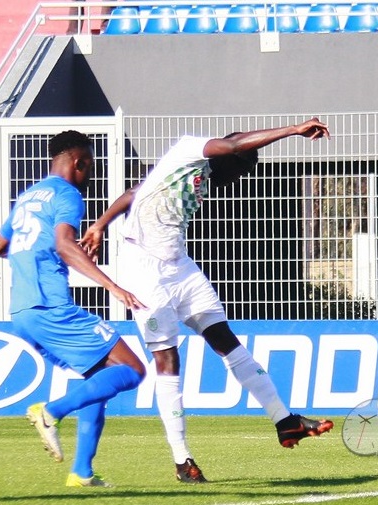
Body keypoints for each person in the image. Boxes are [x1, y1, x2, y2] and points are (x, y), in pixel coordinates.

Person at [81, 118, 333, 484]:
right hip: (143, 269)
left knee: (226, 341)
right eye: (240, 164)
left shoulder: (205, 178)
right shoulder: (188, 149)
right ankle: (182, 461)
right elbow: (231, 146)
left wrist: (101, 222)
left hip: (179, 267)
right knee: (167, 358)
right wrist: (293, 130)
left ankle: (285, 421)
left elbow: (139, 190)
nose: (237, 174)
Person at [0, 130, 147, 487]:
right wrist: (112, 286)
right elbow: (64, 244)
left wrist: (34, 252)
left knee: (99, 379)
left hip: (22, 313)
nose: (89, 173)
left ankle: (81, 471)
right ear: (79, 162)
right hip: (50, 306)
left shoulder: (28, 196)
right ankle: (51, 411)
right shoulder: (68, 194)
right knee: (133, 369)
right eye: (90, 166)